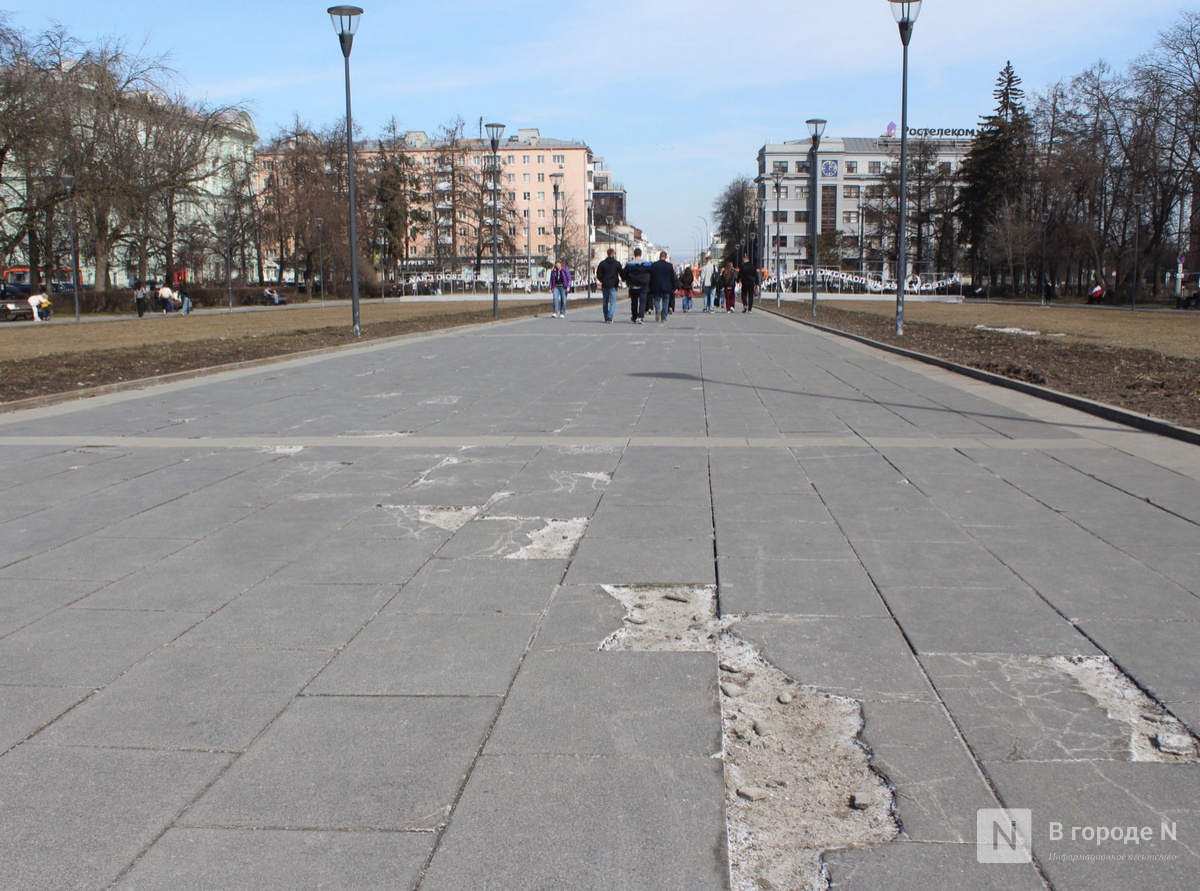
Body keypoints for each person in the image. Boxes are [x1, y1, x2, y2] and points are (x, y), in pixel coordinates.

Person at [621, 248, 652, 324]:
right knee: (643, 301)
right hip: (644, 284)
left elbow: (623, 272)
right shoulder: (647, 264)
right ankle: (640, 316)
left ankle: (634, 316)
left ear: (634, 254)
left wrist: (624, 279)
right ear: (641, 254)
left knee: (634, 301)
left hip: (633, 284)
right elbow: (652, 273)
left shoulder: (629, 264)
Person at [648, 251, 678, 323]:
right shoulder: (669, 266)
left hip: (656, 286)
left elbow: (651, 276)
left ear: (659, 256)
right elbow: (672, 278)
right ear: (666, 257)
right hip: (667, 286)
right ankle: (663, 318)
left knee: (656, 300)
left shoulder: (654, 265)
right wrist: (674, 287)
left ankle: (658, 309)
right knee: (666, 301)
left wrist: (650, 286)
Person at [595, 247, 622, 324]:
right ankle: (610, 317)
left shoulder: (602, 263)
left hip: (605, 285)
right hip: (613, 285)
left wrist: (602, 280)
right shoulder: (617, 263)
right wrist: (624, 278)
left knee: (605, 301)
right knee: (613, 301)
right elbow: (621, 272)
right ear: (613, 254)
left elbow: (598, 274)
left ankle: (606, 316)